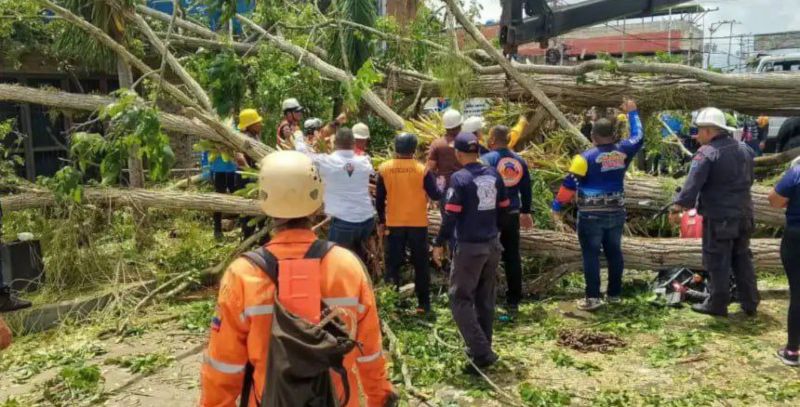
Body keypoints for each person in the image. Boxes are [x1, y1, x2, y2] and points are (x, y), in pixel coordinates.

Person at [200, 151, 395, 406]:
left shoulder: (243, 275)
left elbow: (223, 367)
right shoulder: (347, 267)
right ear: (317, 200)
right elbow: (369, 352)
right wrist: (380, 398)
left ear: (265, 200)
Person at [551, 98, 643, 311]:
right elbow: (638, 136)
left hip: (591, 216)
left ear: (592, 136)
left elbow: (568, 187)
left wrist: (556, 208)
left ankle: (593, 298)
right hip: (616, 212)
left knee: (591, 255)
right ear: (613, 135)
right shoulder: (624, 151)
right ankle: (614, 294)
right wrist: (633, 113)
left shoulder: (583, 159)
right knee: (614, 252)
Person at [432, 132, 510, 374]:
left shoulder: (460, 179)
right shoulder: (494, 174)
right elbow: (505, 209)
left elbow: (451, 215)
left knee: (459, 299)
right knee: (485, 298)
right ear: (477, 152)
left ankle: (481, 352)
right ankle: (482, 346)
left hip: (470, 247)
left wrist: (438, 242)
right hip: (491, 245)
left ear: (458, 153)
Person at [671, 107, 759, 317]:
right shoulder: (745, 149)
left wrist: (677, 207)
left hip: (720, 218)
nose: (696, 134)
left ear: (710, 131)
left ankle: (717, 304)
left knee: (716, 260)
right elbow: (750, 179)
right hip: (745, 215)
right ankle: (750, 302)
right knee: (742, 258)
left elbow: (692, 185)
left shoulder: (707, 153)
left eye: (699, 130)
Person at [376, 133, 442, 315]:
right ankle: (424, 305)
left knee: (393, 265)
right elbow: (436, 194)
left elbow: (379, 199)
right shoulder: (422, 170)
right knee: (421, 264)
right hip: (418, 224)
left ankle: (392, 305)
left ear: (396, 148)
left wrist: (382, 221)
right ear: (413, 149)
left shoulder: (384, 168)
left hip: (394, 224)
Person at [296, 127, 375, 263]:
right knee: (357, 258)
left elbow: (303, 156)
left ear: (335, 143)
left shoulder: (327, 161)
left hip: (344, 222)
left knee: (337, 261)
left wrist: (298, 136)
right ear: (353, 143)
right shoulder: (364, 161)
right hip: (366, 221)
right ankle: (361, 280)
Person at [481, 125, 533, 319]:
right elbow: (527, 188)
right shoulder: (519, 161)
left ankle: (487, 297)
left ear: (493, 139)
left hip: (491, 213)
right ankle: (514, 299)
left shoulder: (488, 160)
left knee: (487, 254)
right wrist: (526, 211)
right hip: (512, 212)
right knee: (512, 256)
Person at [769, 159, 800, 366]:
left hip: (797, 237)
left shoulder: (796, 173)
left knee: (798, 293)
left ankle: (792, 351)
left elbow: (775, 200)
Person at [237, 109, 266, 240]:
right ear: (249, 125)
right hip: (246, 178)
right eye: (257, 123)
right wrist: (251, 173)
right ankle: (248, 238)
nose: (260, 124)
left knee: (261, 206)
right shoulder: (243, 138)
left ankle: (263, 237)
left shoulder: (255, 136)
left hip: (256, 175)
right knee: (249, 209)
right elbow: (239, 158)